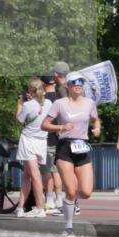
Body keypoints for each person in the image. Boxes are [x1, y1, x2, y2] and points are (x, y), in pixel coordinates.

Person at [41, 73, 101, 237]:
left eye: (81, 82)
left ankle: (71, 203)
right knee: (71, 190)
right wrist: (60, 127)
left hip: (82, 147)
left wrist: (97, 128)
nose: (78, 85)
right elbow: (44, 125)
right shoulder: (59, 104)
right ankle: (68, 228)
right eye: (74, 82)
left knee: (86, 192)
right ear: (67, 86)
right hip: (65, 148)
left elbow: (96, 119)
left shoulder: (89, 103)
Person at [15, 78, 51, 217]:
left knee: (34, 175)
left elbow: (19, 120)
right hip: (42, 141)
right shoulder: (49, 103)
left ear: (30, 90)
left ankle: (39, 207)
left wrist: (20, 104)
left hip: (29, 141)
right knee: (27, 175)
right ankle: (20, 207)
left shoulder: (27, 105)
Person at [40, 71, 64, 215]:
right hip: (60, 138)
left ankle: (49, 200)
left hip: (46, 138)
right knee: (57, 171)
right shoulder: (62, 99)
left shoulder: (42, 100)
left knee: (47, 171)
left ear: (43, 84)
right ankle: (60, 199)